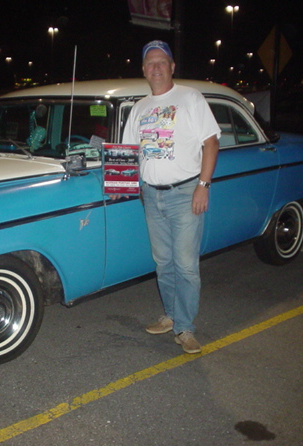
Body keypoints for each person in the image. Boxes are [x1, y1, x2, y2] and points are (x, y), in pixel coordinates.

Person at [122, 40, 220, 354]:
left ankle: (185, 329)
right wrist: (133, 187)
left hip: (185, 193)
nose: (156, 67)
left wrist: (203, 185)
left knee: (186, 265)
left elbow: (211, 142)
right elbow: (128, 154)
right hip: (152, 195)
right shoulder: (139, 108)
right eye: (150, 62)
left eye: (161, 61)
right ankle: (170, 315)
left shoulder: (190, 97)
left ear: (172, 66)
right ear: (143, 70)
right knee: (163, 263)